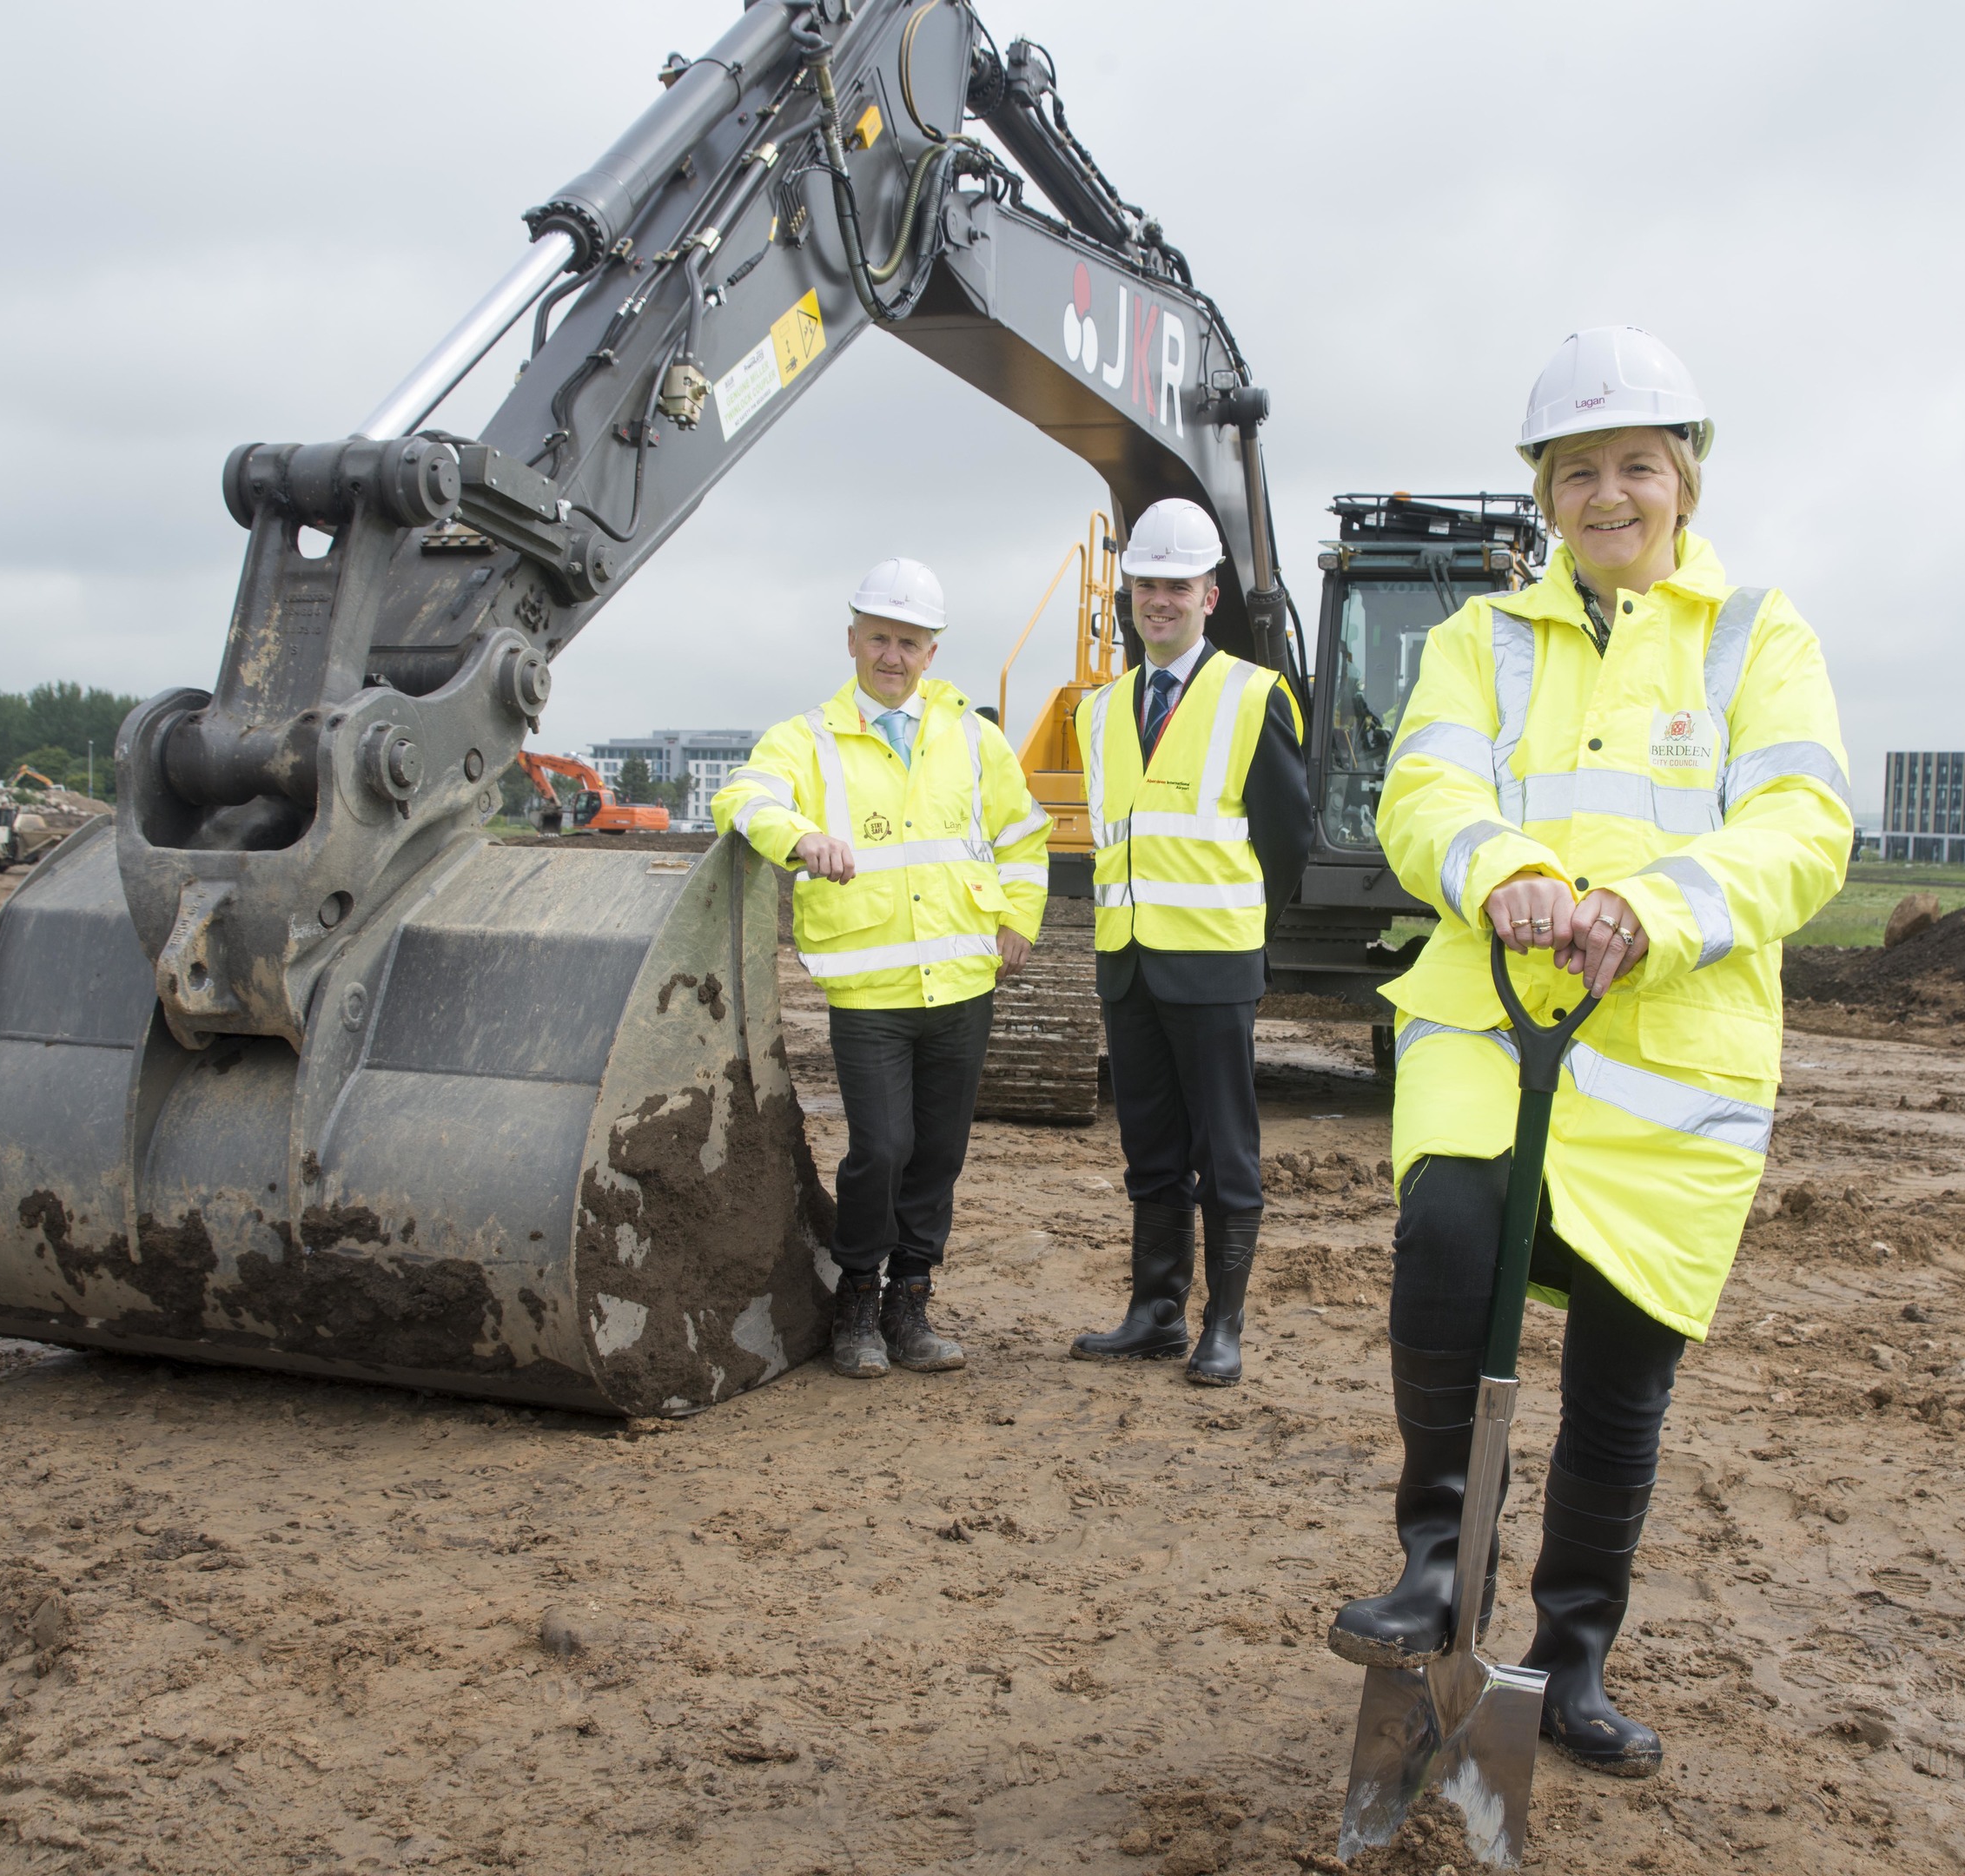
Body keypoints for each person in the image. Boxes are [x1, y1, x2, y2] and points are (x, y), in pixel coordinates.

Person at [1326, 328, 1852, 1775]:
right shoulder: (1476, 641)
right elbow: (1423, 783)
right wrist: (1496, 866)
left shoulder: (1757, 634)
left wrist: (1652, 909)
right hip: (1488, 1013)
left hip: (1677, 1053)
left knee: (1620, 1380)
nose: (1608, 494)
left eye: (1635, 466)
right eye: (1577, 472)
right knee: (1445, 1221)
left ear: (1681, 481)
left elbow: (1802, 829)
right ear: (1543, 496)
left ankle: (1568, 1667)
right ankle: (1436, 1571)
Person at [713, 558, 1051, 1380]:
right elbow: (745, 796)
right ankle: (856, 1299)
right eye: (878, 638)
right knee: (882, 1148)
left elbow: (1022, 837)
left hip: (963, 984)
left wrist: (1018, 920)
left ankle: (912, 1302)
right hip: (871, 991)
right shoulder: (809, 738)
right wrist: (798, 836)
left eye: (908, 641)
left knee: (938, 1151)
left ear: (932, 651)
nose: (891, 655)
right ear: (852, 639)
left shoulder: (974, 735)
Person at [1066, 499, 1309, 1386]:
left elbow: (1288, 839)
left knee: (1226, 1151)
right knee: (1152, 1147)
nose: (1158, 600)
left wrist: (1243, 936)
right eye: (1145, 585)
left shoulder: (1254, 696)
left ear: (1211, 596)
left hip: (1212, 963)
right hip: (1128, 965)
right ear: (1128, 592)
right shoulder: (1099, 712)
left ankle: (1224, 1324)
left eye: (1176, 585)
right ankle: (1156, 1311)